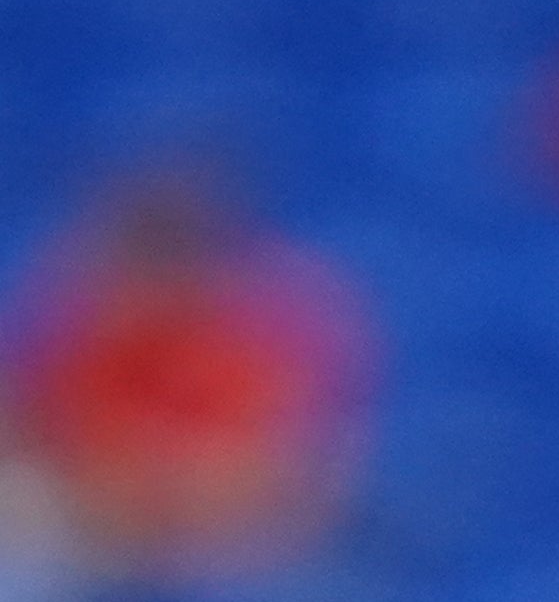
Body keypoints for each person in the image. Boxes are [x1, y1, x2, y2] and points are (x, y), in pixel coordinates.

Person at [0, 164, 369, 581]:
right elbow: (39, 431)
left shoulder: (254, 351)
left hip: (215, 560)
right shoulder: (77, 332)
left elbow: (279, 484)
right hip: (92, 537)